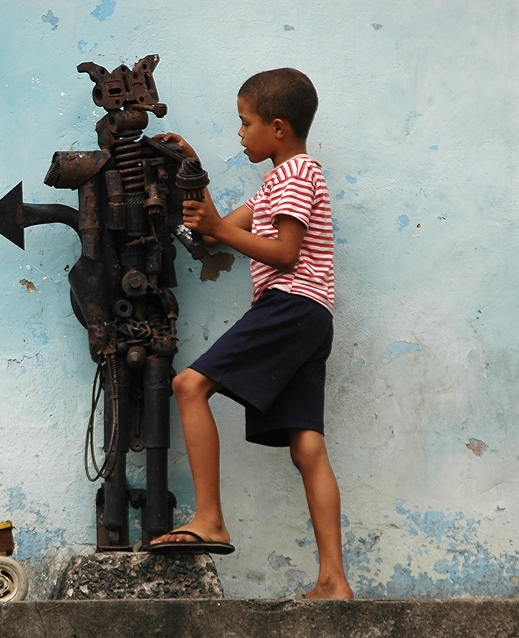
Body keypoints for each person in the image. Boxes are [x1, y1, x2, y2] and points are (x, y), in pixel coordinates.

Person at [149, 68, 353, 599]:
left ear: (278, 128)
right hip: (313, 316)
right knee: (307, 446)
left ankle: (210, 518)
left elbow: (284, 254)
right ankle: (333, 580)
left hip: (290, 303)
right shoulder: (278, 183)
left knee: (189, 385)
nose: (240, 135)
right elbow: (215, 230)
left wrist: (217, 228)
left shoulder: (294, 175)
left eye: (245, 124)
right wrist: (191, 172)